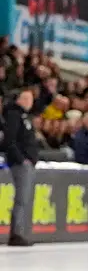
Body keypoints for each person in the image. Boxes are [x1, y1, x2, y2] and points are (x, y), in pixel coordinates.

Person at [2, 89, 39, 247]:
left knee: (25, 199)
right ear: (20, 100)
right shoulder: (14, 116)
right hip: (20, 163)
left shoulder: (24, 117)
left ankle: (21, 231)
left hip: (27, 163)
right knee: (21, 199)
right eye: (27, 98)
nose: (30, 102)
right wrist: (21, 159)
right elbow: (10, 140)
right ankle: (16, 233)